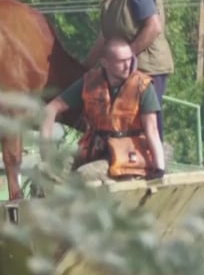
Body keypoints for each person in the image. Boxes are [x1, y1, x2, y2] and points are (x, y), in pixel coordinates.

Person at [83, 0, 174, 140]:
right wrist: (85, 68)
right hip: (127, 68)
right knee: (126, 120)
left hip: (148, 66)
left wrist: (125, 57)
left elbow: (153, 27)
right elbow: (104, 36)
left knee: (147, 120)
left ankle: (155, 166)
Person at [42, 38, 166, 181]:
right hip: (93, 149)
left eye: (129, 59)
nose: (128, 65)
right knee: (47, 171)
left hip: (126, 154)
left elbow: (152, 129)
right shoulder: (90, 81)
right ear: (105, 63)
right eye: (121, 61)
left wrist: (159, 169)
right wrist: (46, 156)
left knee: (84, 175)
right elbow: (50, 109)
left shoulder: (142, 86)